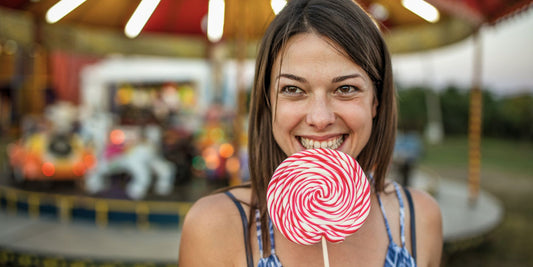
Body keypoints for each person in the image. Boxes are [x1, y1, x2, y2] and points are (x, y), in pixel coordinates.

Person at [178, 0, 443, 266]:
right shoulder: (214, 226)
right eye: (293, 89)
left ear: (376, 101)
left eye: (346, 88)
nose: (319, 119)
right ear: (269, 102)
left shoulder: (419, 218)